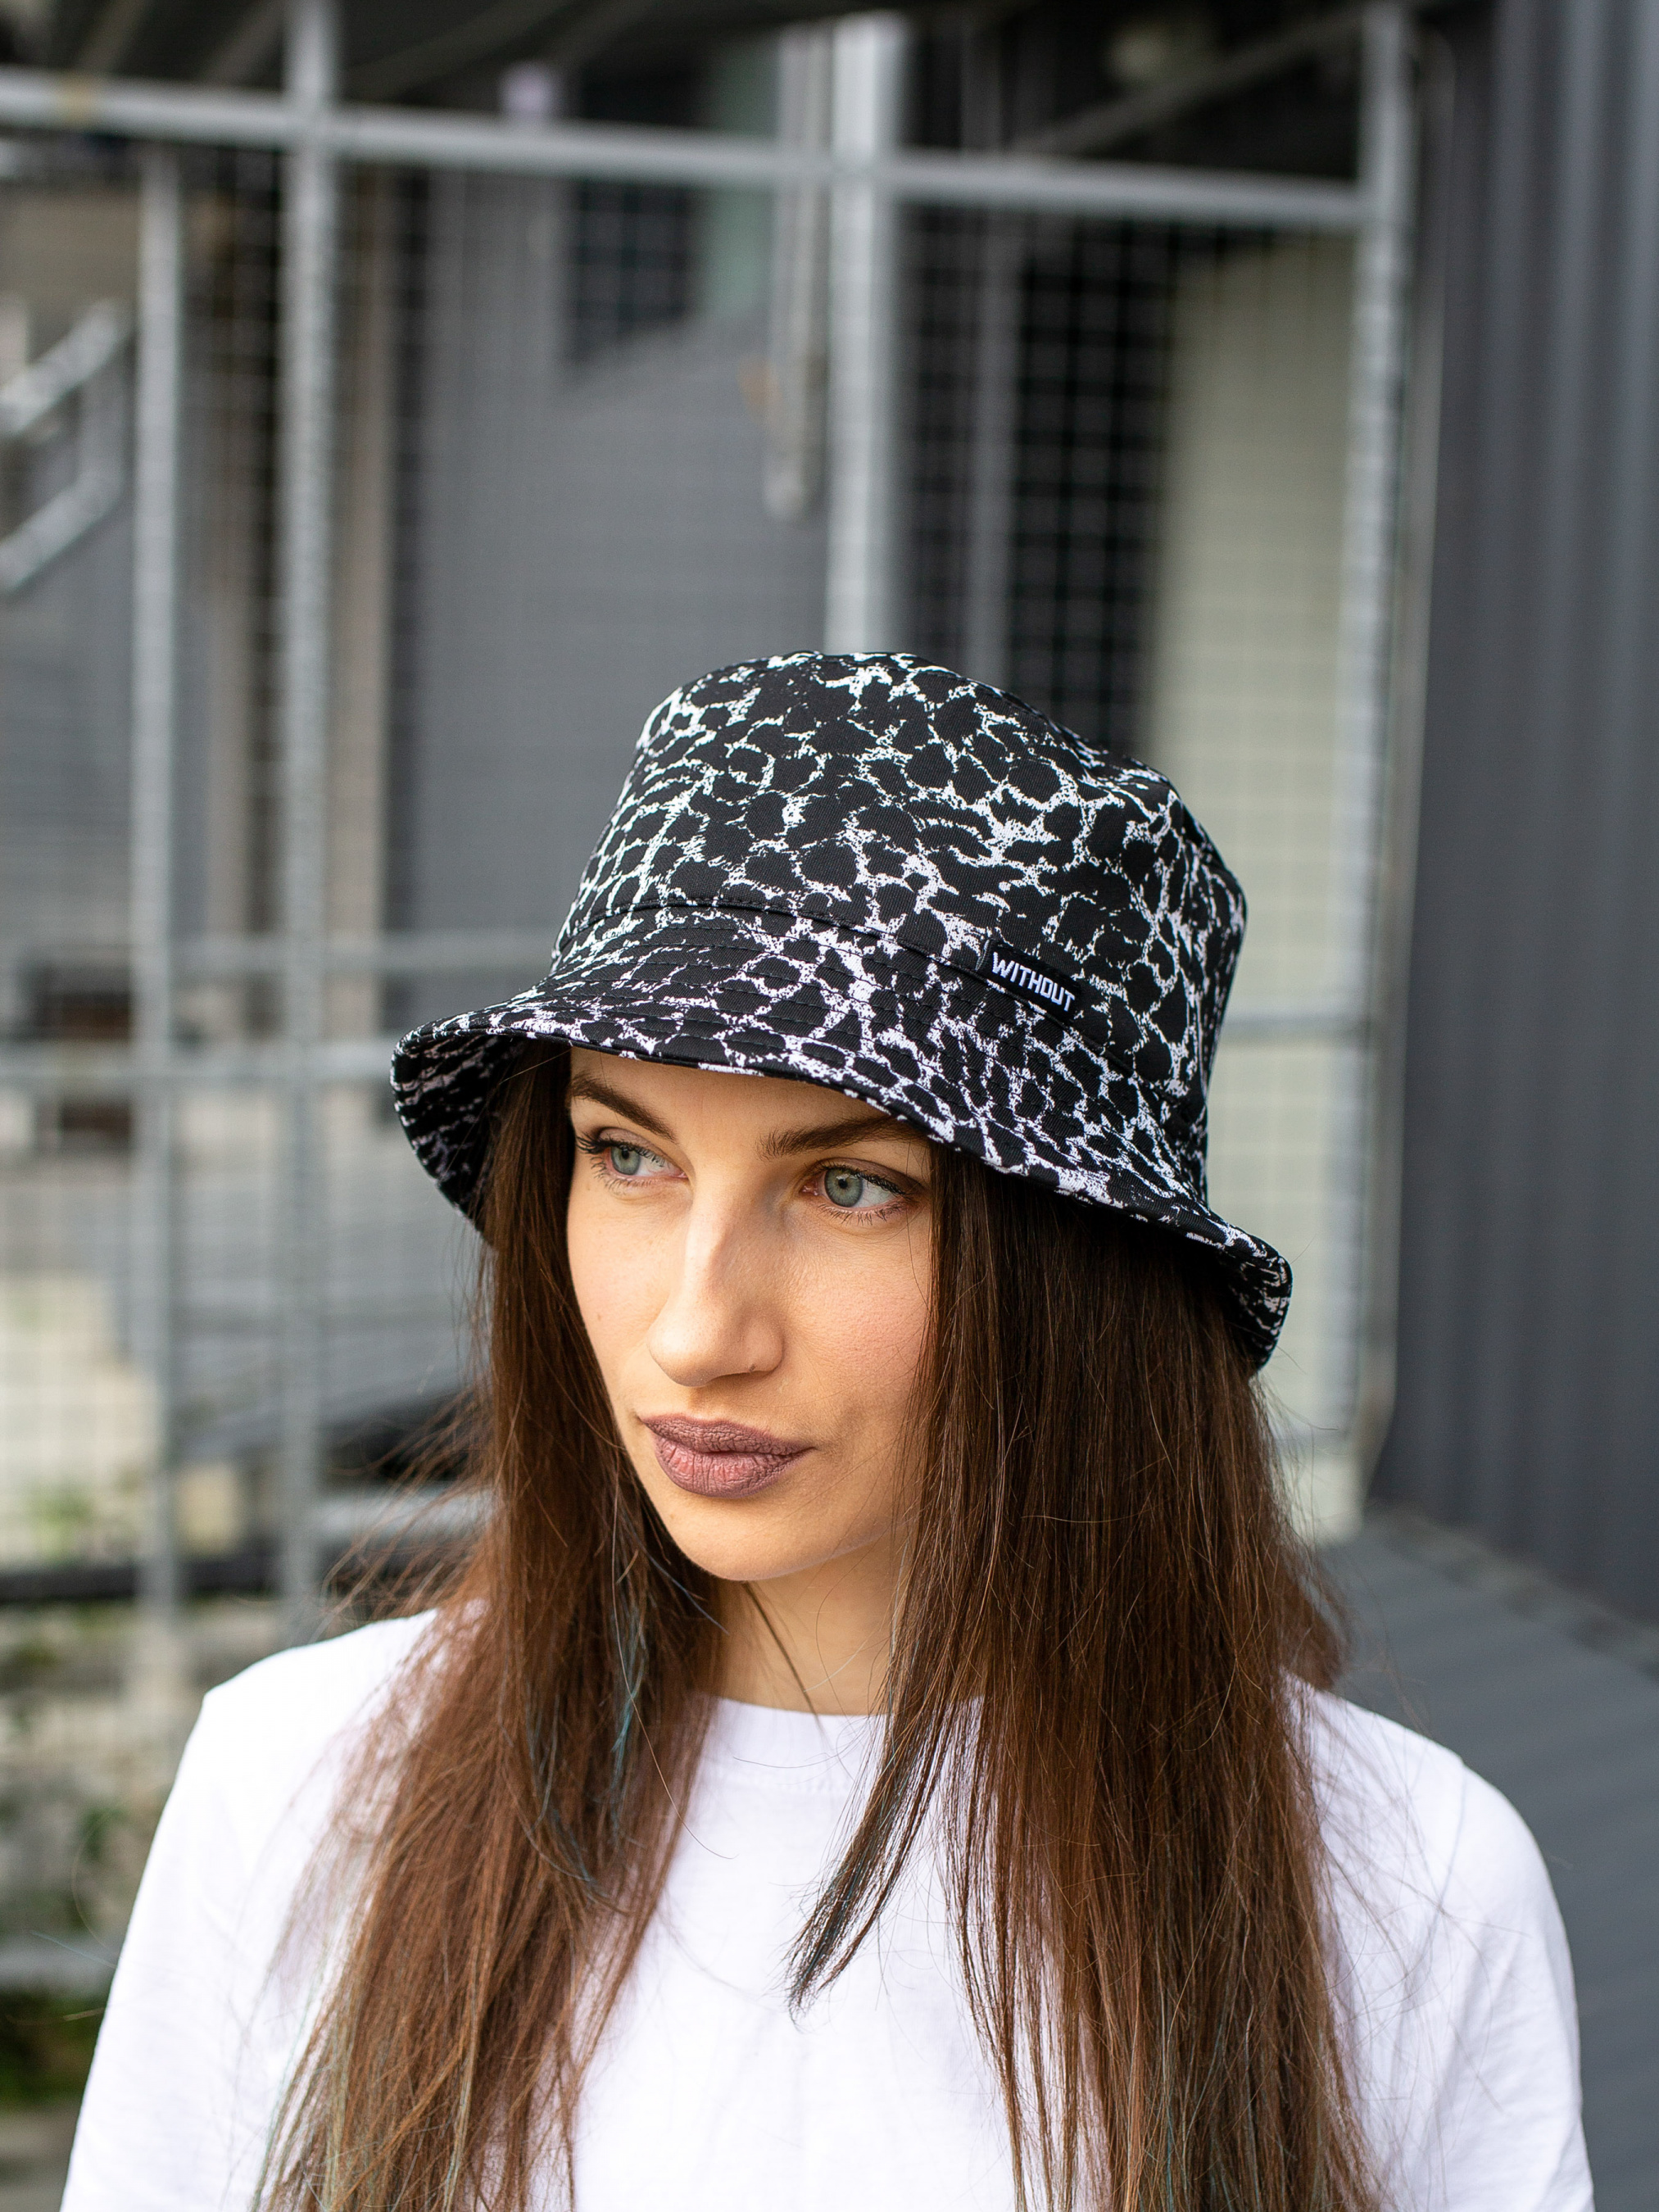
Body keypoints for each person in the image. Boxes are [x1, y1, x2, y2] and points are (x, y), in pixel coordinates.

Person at [63, 655, 1592, 2212]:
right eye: (626, 1155)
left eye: (850, 1186)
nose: (695, 1330)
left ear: (1081, 1280)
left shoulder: (1400, 1899)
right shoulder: (305, 1787)